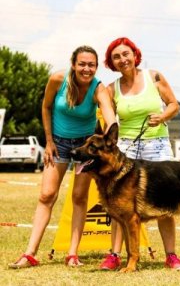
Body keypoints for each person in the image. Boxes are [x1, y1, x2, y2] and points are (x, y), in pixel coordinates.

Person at [8, 45, 116, 268]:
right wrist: (48, 141)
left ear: (96, 67)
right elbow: (46, 107)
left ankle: (72, 254)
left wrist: (110, 133)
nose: (87, 69)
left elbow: (108, 114)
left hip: (86, 147)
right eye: (82, 64)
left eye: (92, 65)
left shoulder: (99, 89)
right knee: (47, 194)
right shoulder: (58, 80)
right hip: (58, 143)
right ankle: (30, 253)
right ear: (74, 64)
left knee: (79, 197)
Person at [99, 37, 180, 271]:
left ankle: (171, 256)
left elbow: (174, 104)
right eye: (116, 57)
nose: (122, 59)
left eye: (126, 54)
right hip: (125, 148)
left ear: (135, 54)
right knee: (119, 205)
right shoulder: (111, 88)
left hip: (157, 145)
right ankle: (114, 255)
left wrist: (163, 117)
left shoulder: (153, 77)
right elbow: (109, 122)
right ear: (111, 63)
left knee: (166, 203)